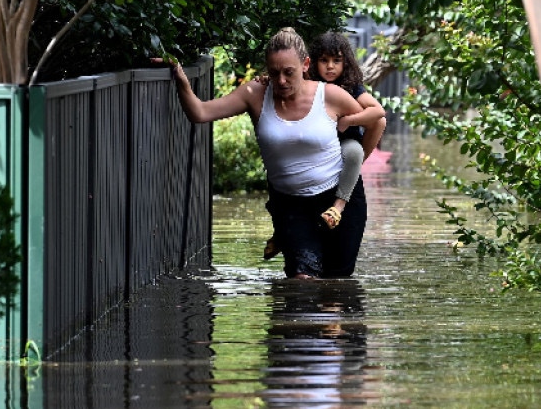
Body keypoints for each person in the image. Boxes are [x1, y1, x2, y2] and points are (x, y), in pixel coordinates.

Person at [164, 27, 385, 279]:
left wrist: (358, 161)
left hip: (338, 199)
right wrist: (181, 78)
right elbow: (200, 113)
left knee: (335, 285)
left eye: (288, 72)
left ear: (305, 65)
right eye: (274, 72)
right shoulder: (255, 94)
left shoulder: (331, 95)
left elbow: (376, 121)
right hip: (290, 204)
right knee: (302, 280)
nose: (281, 81)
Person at [263, 31, 386, 260]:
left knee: (354, 152)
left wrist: (349, 120)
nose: (330, 67)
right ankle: (280, 231)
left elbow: (378, 113)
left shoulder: (350, 87)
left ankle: (338, 207)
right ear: (312, 62)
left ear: (345, 62)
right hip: (308, 154)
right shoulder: (307, 84)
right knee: (279, 169)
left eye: (336, 61)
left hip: (343, 144)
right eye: (324, 60)